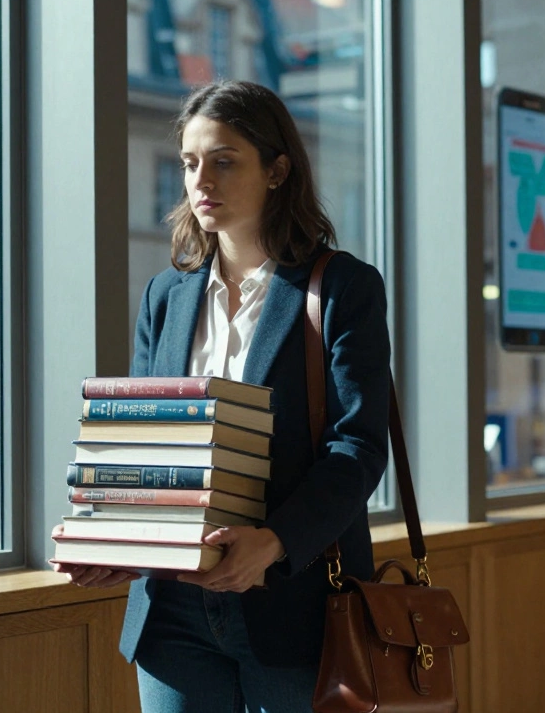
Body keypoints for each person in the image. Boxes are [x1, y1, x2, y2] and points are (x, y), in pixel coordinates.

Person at [51, 80, 391, 712]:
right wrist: (109, 541)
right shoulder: (166, 296)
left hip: (296, 610)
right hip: (173, 616)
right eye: (189, 162)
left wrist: (275, 541)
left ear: (277, 169)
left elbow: (360, 448)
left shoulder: (342, 288)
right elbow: (145, 445)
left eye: (224, 160)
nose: (200, 178)